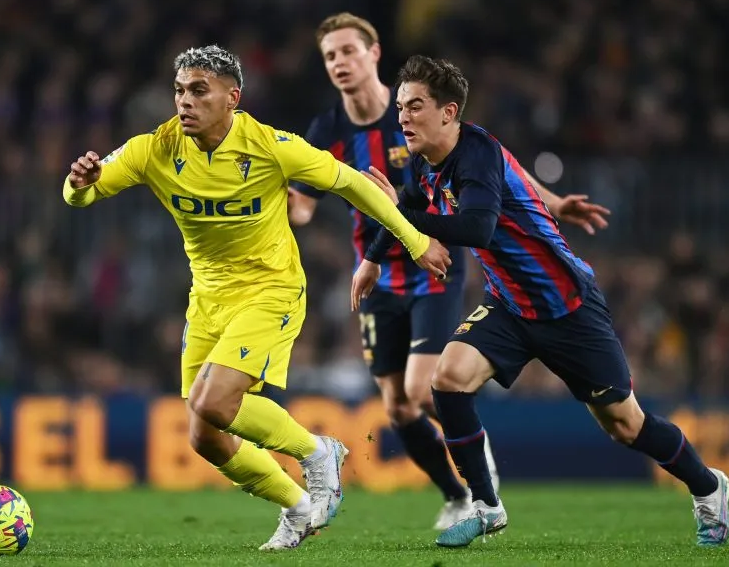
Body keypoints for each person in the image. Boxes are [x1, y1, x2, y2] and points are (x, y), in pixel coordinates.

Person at [62, 45, 450, 550]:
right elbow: (81, 195)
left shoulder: (270, 146)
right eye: (179, 91)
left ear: (232, 98)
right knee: (204, 435)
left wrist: (415, 241)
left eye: (199, 91)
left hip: (271, 289)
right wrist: (79, 183)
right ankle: (298, 507)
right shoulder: (153, 149)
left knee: (215, 402)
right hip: (208, 300)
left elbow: (353, 184)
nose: (185, 101)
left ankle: (318, 452)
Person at [352, 55, 729, 549]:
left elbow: (477, 228)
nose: (402, 116)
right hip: (509, 306)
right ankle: (486, 506)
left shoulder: (477, 153)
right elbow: (407, 206)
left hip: (568, 308)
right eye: (401, 106)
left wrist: (405, 224)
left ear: (448, 112)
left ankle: (708, 487)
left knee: (625, 425)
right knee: (447, 379)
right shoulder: (427, 163)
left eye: (414, 106)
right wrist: (373, 260)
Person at [289, 13, 610, 529]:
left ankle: (479, 470)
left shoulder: (415, 112)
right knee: (397, 407)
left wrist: (552, 202)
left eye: (348, 50)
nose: (339, 62)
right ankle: (458, 494)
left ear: (373, 54)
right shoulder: (326, 130)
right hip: (377, 273)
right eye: (330, 55)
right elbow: (300, 207)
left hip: (433, 268)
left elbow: (495, 165)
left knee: (422, 390)